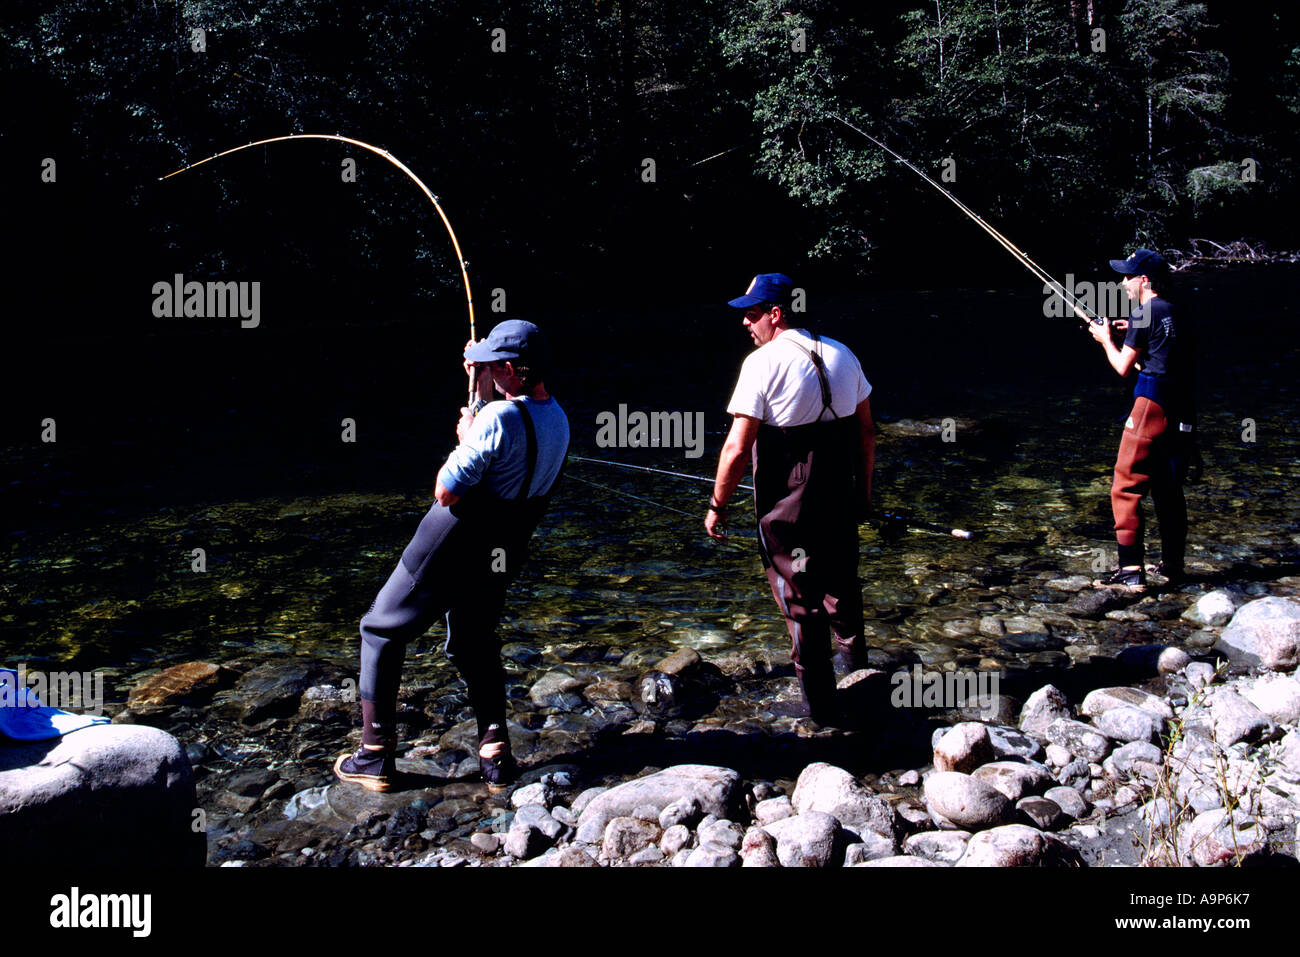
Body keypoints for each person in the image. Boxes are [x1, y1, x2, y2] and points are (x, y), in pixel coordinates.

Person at [334, 320, 569, 792]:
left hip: (451, 541)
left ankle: (374, 755)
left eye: (492, 364)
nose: (483, 368)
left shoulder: (495, 421)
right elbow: (510, 462)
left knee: (379, 629)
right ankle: (495, 754)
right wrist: (483, 386)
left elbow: (447, 491)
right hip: (503, 549)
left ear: (509, 368)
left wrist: (468, 432)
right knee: (473, 640)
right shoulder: (559, 419)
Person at [705, 273, 875, 726]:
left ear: (776, 314)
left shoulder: (761, 363)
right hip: (840, 492)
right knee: (842, 582)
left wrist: (717, 506)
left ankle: (820, 710)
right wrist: (865, 493)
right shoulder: (844, 353)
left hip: (789, 506)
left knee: (798, 594)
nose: (746, 321)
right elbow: (866, 433)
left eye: (753, 313)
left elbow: (738, 448)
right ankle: (857, 671)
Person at [1087, 248, 1195, 591]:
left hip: (1150, 408)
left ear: (1144, 280)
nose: (1123, 282)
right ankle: (1173, 565)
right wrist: (1129, 331)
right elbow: (1165, 350)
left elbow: (1121, 366)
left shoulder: (1143, 312)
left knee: (1125, 485)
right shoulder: (1173, 310)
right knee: (1167, 487)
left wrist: (1105, 339)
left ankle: (1131, 569)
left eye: (1128, 276)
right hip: (1179, 410)